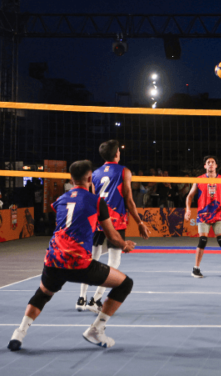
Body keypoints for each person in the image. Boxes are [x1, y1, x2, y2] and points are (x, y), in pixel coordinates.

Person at [8, 160, 136, 351]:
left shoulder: (61, 199)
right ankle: (96, 329)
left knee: (43, 294)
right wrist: (124, 244)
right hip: (78, 263)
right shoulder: (97, 201)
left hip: (53, 259)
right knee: (125, 283)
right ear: (90, 178)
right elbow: (112, 236)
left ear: (71, 178)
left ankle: (18, 333)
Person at [80, 140, 150, 313]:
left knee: (92, 259)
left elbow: (94, 198)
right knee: (114, 261)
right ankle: (95, 300)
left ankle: (81, 298)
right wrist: (140, 222)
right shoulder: (123, 171)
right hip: (115, 220)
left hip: (97, 220)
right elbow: (128, 199)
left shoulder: (94, 173)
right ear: (117, 153)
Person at [185, 155, 221, 278]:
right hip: (203, 215)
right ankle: (196, 269)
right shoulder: (199, 179)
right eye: (208, 162)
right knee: (202, 240)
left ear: (216, 166)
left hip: (218, 214)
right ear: (205, 166)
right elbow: (189, 196)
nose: (211, 164)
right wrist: (188, 209)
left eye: (213, 162)